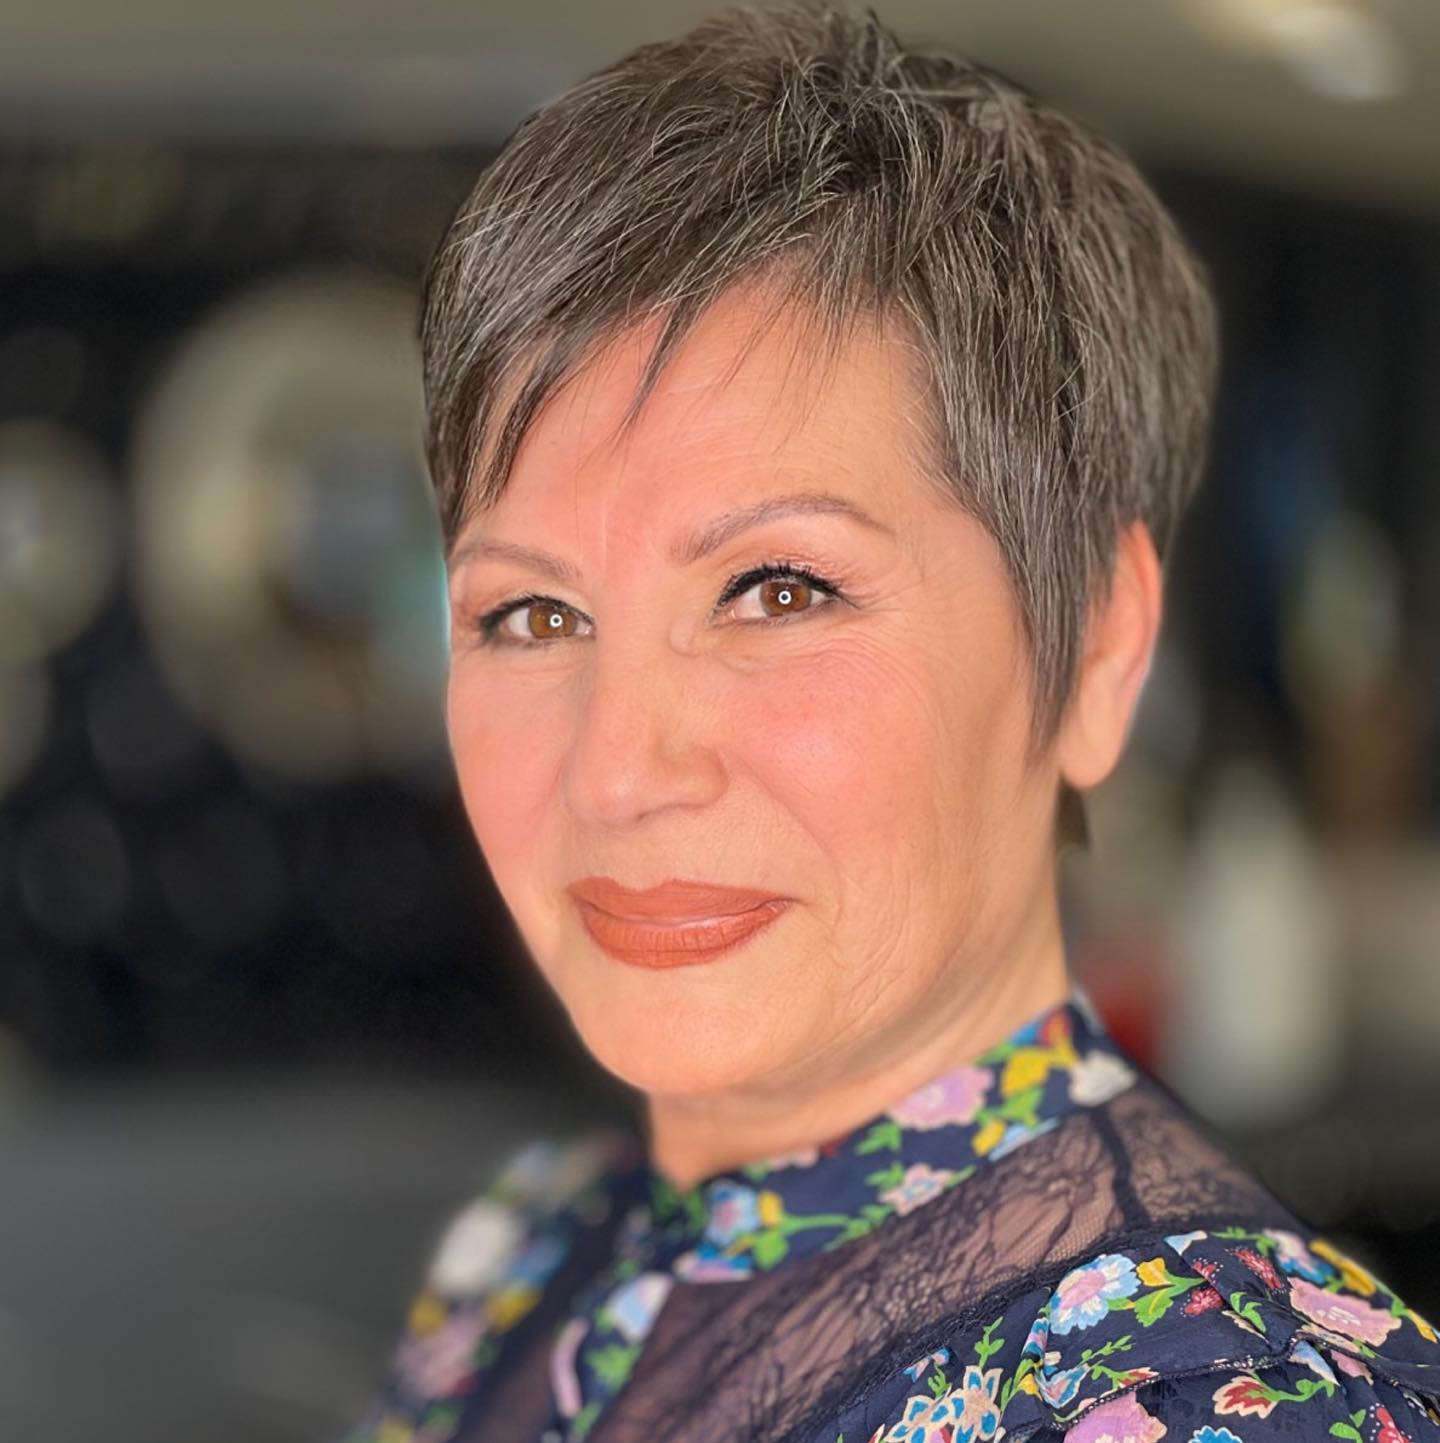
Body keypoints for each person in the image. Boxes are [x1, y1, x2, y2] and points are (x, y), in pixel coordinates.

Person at [343, 6, 1440, 1441]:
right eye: (531, 614)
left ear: (1096, 648)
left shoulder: (1199, 1405)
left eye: (778, 590)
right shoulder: (534, 1256)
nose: (613, 771)